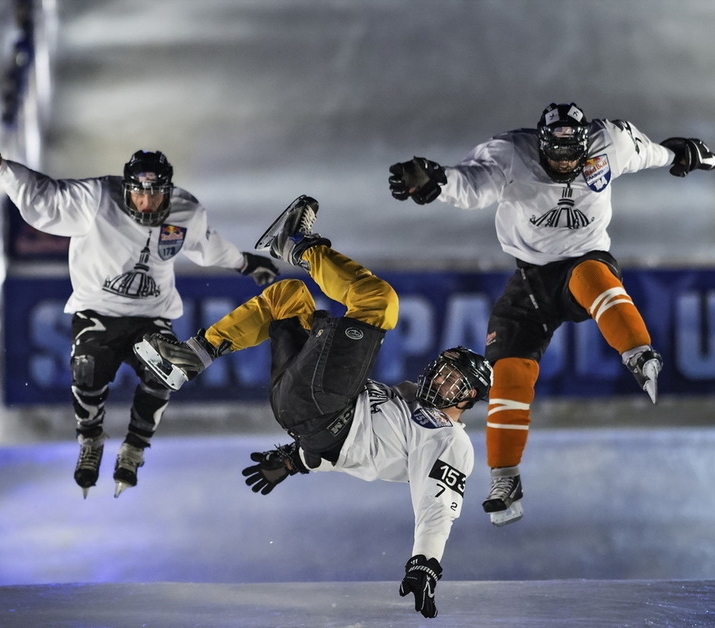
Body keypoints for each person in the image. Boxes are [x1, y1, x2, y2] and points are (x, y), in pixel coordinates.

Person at [133, 195, 492, 619]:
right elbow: (358, 447)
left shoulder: (450, 441)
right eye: (443, 370)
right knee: (288, 297)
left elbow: (437, 507)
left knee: (379, 302)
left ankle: (297, 243)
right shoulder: (408, 399)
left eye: (455, 382)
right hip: (303, 407)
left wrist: (424, 562)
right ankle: (191, 358)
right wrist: (294, 461)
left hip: (322, 406)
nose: (440, 380)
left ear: (468, 400)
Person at [388, 102, 715, 526]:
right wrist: (439, 180)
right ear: (538, 146)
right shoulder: (510, 154)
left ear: (587, 145)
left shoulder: (610, 143)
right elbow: (473, 184)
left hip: (583, 262)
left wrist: (678, 154)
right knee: (507, 372)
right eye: (555, 155)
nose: (563, 163)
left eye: (571, 155)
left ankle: (638, 350)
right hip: (530, 282)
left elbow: (646, 152)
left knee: (591, 275)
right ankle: (505, 476)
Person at [0, 125, 280, 498]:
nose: (147, 203)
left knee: (169, 367)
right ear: (126, 189)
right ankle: (90, 439)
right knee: (87, 367)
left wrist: (244, 263)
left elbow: (207, 245)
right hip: (98, 311)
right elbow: (44, 196)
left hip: (151, 317)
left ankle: (134, 448)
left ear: (168, 191)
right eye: (140, 193)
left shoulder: (184, 212)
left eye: (156, 194)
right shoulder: (96, 197)